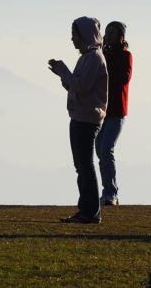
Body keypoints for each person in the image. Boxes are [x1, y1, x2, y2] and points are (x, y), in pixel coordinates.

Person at [48, 17, 108, 224]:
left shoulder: (93, 57)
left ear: (84, 35)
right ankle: (86, 210)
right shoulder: (87, 57)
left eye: (75, 34)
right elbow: (79, 86)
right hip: (80, 116)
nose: (72, 39)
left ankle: (90, 212)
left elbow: (82, 86)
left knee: (85, 165)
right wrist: (63, 75)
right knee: (82, 165)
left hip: (86, 118)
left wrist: (63, 71)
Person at [96, 21, 132, 206]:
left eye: (112, 32)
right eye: (106, 32)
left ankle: (111, 193)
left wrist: (104, 69)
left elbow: (124, 78)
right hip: (101, 110)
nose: (108, 34)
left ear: (120, 37)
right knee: (100, 150)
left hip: (117, 111)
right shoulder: (104, 54)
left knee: (105, 149)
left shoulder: (125, 55)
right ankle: (107, 191)